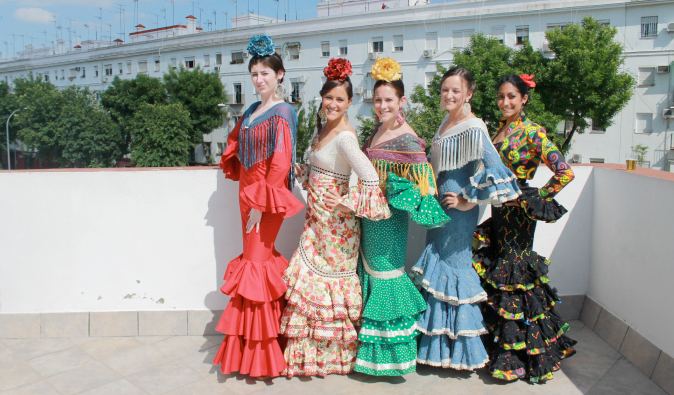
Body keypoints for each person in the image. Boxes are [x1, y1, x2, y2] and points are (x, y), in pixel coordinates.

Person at [280, 58, 391, 378]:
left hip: (336, 228)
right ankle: (310, 359)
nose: (332, 103)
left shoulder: (345, 136)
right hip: (316, 223)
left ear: (349, 103)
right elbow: (321, 169)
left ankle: (334, 359)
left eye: (339, 99)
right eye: (328, 97)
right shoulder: (325, 129)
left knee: (328, 290)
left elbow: (369, 179)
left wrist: (344, 204)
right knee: (312, 287)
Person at [412, 67, 521, 371]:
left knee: (455, 272)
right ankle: (438, 351)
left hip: (458, 217)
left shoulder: (473, 126)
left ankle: (461, 353)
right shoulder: (447, 121)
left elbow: (496, 169)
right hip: (438, 213)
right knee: (437, 278)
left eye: (455, 91)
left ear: (468, 94)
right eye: (445, 89)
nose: (449, 95)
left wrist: (467, 199)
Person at [472, 74, 577, 383]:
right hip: (499, 212)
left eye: (511, 97)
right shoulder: (500, 130)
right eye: (501, 97)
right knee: (502, 278)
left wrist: (533, 199)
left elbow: (564, 172)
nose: (505, 102)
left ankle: (521, 358)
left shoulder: (532, 132)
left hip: (519, 217)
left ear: (524, 98)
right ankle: (502, 349)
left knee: (517, 279)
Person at [213, 34, 304, 379]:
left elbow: (281, 163)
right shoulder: (251, 110)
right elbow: (237, 141)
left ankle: (261, 353)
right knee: (256, 262)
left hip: (265, 198)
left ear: (279, 75)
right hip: (248, 195)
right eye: (254, 74)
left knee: (255, 263)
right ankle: (254, 346)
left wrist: (262, 205)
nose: (259, 79)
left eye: (265, 73)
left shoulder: (283, 111)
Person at [354, 58, 450, 376]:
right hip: (369, 219)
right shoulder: (378, 130)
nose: (382, 105)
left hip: (390, 222)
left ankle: (392, 359)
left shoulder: (408, 139)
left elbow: (424, 186)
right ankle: (370, 357)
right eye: (378, 99)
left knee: (386, 275)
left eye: (389, 100)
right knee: (370, 273)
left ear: (401, 101)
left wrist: (396, 191)